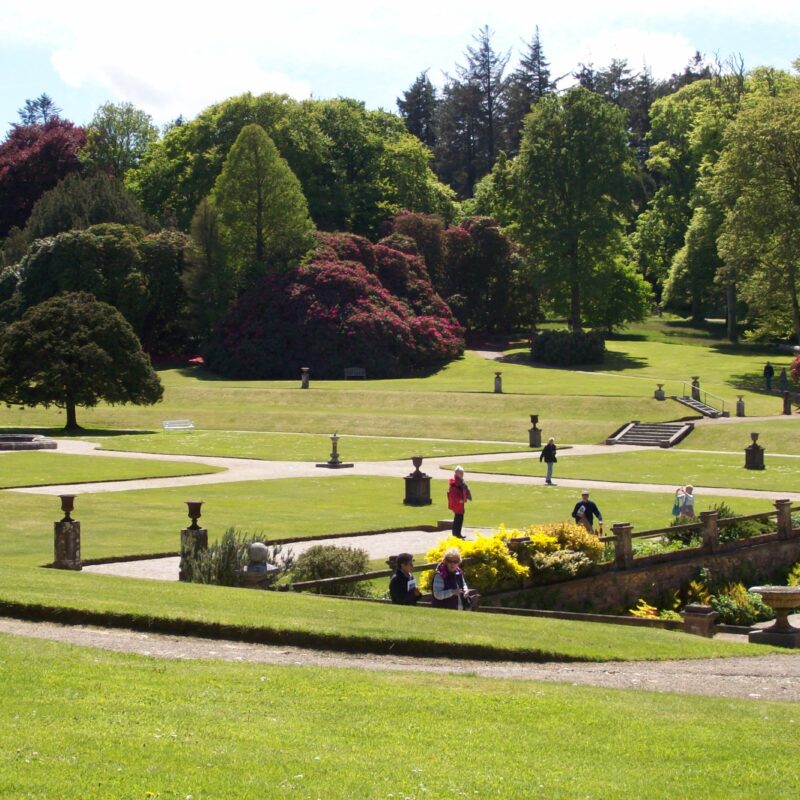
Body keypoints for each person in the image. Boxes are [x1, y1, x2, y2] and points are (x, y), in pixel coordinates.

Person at [447, 466, 472, 539]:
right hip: (457, 503)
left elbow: (464, 489)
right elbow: (453, 493)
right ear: (457, 473)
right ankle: (456, 534)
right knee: (458, 518)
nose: (462, 474)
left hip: (461, 502)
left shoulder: (460, 481)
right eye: (461, 473)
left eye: (462, 473)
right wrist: (459, 500)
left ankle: (458, 533)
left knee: (460, 518)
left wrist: (466, 496)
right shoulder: (455, 482)